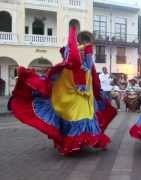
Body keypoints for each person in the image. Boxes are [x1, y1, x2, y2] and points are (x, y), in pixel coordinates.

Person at [8, 26, 117, 155]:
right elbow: (71, 63)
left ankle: (86, 140)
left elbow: (91, 74)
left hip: (86, 95)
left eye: (87, 45)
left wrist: (96, 90)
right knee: (75, 117)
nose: (84, 49)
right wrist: (75, 47)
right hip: (72, 92)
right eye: (85, 44)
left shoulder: (88, 59)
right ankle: (74, 142)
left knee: (87, 117)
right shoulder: (71, 54)